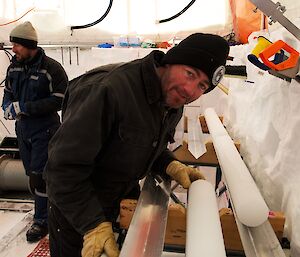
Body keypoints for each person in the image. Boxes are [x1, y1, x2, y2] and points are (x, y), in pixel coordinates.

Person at [44, 32, 229, 257]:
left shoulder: (172, 99)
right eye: (190, 74)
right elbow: (61, 169)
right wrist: (93, 225)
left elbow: (145, 143)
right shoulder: (108, 90)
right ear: (170, 61)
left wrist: (169, 164)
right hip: (77, 210)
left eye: (202, 86)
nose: (191, 91)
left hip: (120, 198)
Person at [1, 21, 68, 242]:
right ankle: (45, 212)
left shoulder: (52, 69)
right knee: (32, 176)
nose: (13, 49)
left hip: (45, 129)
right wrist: (7, 106)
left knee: (41, 177)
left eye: (17, 45)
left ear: (29, 45)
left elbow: (60, 100)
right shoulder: (14, 67)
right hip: (23, 129)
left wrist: (25, 107)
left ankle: (42, 221)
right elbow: (8, 91)